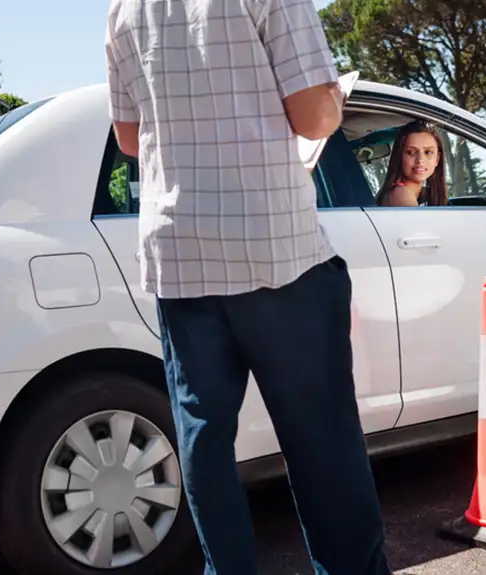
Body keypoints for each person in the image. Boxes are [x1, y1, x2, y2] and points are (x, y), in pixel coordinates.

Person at [104, 1, 392, 574]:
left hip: (180, 253)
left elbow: (130, 139)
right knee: (321, 439)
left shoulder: (123, 8)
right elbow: (314, 116)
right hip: (272, 249)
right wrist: (334, 96)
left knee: (204, 439)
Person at [375, 120, 449, 207]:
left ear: (437, 159)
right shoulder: (401, 195)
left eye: (428, 152)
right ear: (399, 157)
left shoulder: (418, 193)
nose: (420, 160)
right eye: (411, 152)